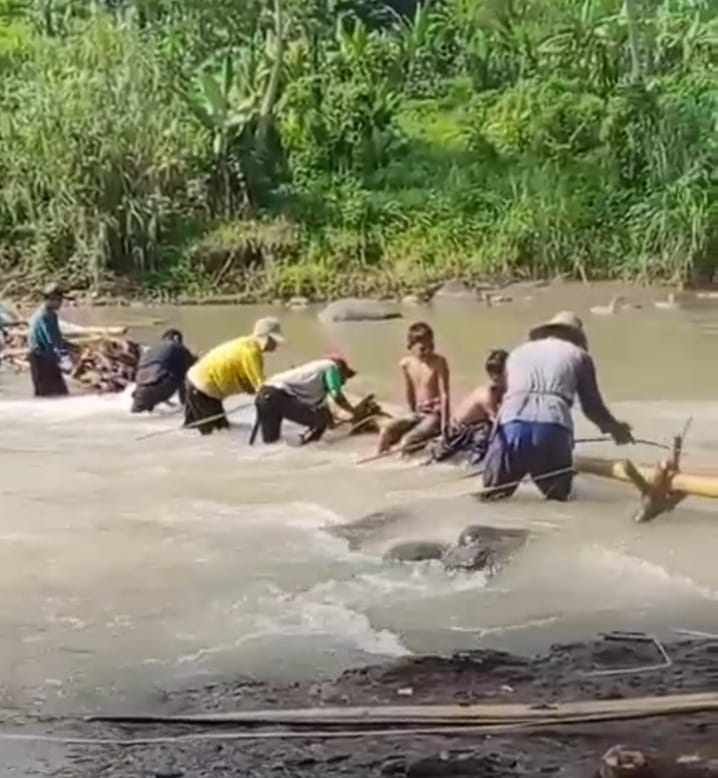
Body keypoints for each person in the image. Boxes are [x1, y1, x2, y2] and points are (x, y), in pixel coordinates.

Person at [482, 311, 633, 502]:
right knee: (559, 500)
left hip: (512, 424)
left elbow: (507, 396)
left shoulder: (518, 352)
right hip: (552, 427)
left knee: (492, 498)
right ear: (576, 337)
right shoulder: (579, 356)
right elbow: (592, 408)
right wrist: (616, 430)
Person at [183, 317, 283, 435]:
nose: (277, 344)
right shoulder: (251, 353)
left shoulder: (246, 343)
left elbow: (249, 384)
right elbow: (261, 389)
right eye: (274, 340)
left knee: (192, 431)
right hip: (202, 389)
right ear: (266, 338)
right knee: (217, 433)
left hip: (195, 382)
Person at [377, 322, 450, 455]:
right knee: (385, 432)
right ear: (411, 346)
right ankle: (379, 464)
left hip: (434, 414)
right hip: (418, 412)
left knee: (407, 441)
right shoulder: (406, 364)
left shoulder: (439, 362)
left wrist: (445, 424)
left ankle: (403, 465)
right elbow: (409, 391)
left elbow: (444, 394)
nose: (427, 351)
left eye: (430, 347)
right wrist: (411, 414)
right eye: (422, 348)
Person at [255, 354, 359, 444]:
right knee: (320, 421)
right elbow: (336, 395)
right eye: (345, 377)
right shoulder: (331, 367)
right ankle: (308, 452)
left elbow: (323, 408)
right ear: (341, 369)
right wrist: (355, 413)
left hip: (263, 396)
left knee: (272, 442)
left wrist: (332, 424)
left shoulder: (315, 374)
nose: (344, 382)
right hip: (277, 395)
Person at [429, 349, 508, 467]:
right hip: (458, 431)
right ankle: (473, 461)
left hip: (471, 426)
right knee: (488, 429)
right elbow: (499, 421)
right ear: (496, 376)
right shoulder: (487, 395)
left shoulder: (499, 389)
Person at [130, 329, 196, 413]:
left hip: (140, 390)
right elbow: (187, 372)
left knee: (136, 417)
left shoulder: (150, 350)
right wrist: (185, 405)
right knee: (181, 374)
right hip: (158, 387)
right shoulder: (176, 347)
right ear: (177, 338)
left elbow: (154, 373)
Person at [27, 282, 73, 397]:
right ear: (52, 299)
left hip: (48, 357)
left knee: (59, 393)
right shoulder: (42, 316)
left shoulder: (51, 315)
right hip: (40, 358)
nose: (61, 303)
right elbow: (50, 340)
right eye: (60, 300)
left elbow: (57, 337)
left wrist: (68, 346)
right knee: (47, 393)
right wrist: (63, 357)